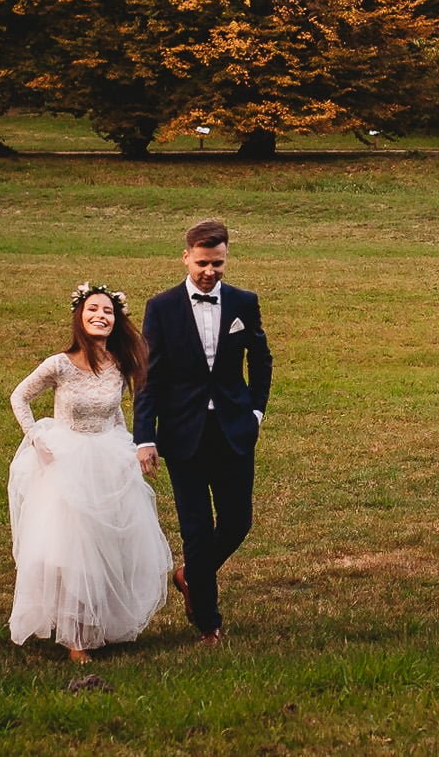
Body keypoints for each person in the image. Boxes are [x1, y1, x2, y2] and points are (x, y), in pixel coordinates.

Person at [7, 284, 173, 662]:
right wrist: (35, 437)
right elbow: (20, 396)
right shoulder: (60, 364)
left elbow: (113, 412)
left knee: (107, 547)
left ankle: (102, 623)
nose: (101, 316)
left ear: (116, 321)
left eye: (109, 312)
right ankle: (74, 637)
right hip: (67, 458)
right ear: (80, 317)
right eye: (93, 310)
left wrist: (131, 447)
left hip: (107, 454)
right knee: (72, 549)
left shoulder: (117, 364)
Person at [134, 218, 272, 644]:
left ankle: (190, 574)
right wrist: (145, 436)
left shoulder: (244, 302)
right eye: (202, 263)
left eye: (218, 263)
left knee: (237, 521)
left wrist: (255, 413)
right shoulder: (161, 308)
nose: (210, 271)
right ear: (186, 257)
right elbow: (148, 377)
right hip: (183, 432)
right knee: (195, 527)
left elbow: (261, 360)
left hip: (233, 428)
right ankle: (209, 623)